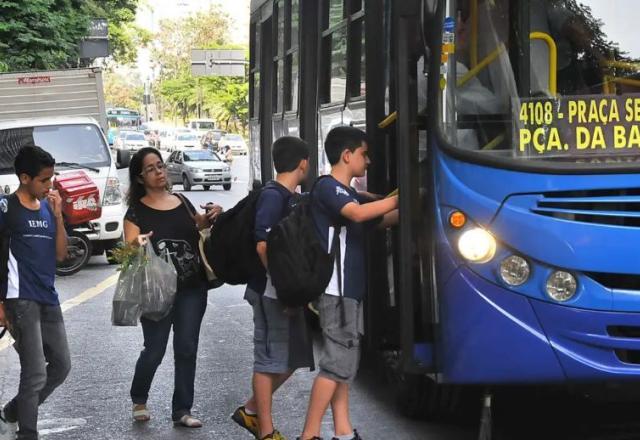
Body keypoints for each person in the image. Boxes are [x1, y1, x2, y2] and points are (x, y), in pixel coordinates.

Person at [298, 127, 398, 440]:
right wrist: (401, 197)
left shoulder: (348, 194)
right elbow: (358, 214)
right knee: (336, 365)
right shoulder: (329, 188)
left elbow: (377, 219)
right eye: (364, 154)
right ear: (347, 155)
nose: (367, 161)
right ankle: (309, 435)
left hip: (347, 291)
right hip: (336, 291)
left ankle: (342, 431)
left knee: (344, 364)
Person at [123, 147, 221, 428]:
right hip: (156, 290)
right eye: (151, 169)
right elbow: (129, 243)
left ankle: (182, 410)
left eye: (160, 165)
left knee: (187, 347)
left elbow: (197, 227)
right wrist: (138, 243)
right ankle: (139, 398)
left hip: (192, 287)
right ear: (141, 177)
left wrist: (211, 216)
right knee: (154, 348)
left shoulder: (181, 200)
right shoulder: (137, 211)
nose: (159, 172)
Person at [232, 136, 315, 440]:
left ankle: (251, 410)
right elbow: (263, 246)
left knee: (293, 358)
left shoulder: (289, 195)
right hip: (269, 291)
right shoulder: (273, 196)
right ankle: (265, 431)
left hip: (277, 290)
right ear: (303, 162)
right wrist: (284, 288)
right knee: (268, 359)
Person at [0, 146, 70, 440]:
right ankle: (27, 433)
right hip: (20, 298)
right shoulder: (6, 207)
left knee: (61, 366)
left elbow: (61, 256)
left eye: (51, 179)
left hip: (48, 297)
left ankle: (13, 411)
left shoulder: (47, 208)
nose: (49, 186)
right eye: (44, 181)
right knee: (35, 373)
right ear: (25, 177)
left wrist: (58, 217)